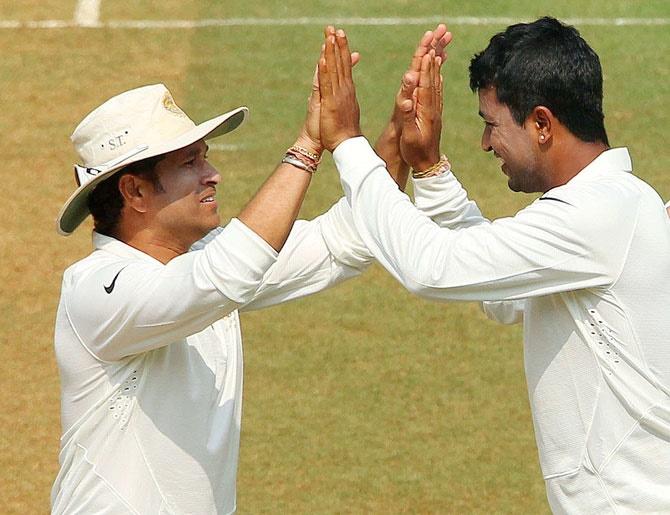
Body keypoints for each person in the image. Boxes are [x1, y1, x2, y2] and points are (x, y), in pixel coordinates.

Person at [50, 28, 452, 514]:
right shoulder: (95, 291)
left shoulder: (206, 261)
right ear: (134, 193)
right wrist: (310, 143)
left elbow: (348, 238)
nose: (212, 173)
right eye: (190, 162)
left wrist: (395, 136)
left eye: (205, 157)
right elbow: (225, 274)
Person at [317, 18, 670, 514]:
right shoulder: (607, 208)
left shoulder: (598, 216)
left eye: (491, 124)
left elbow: (430, 267)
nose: (485, 144)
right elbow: (502, 297)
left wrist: (349, 146)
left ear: (542, 124)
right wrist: (428, 169)